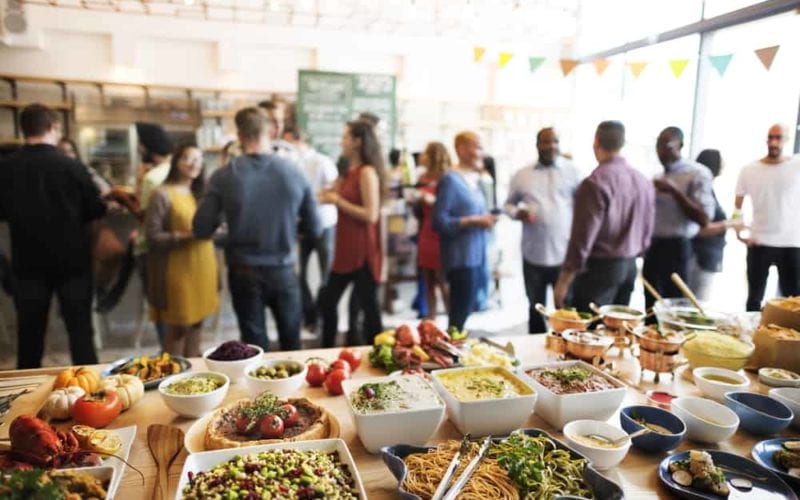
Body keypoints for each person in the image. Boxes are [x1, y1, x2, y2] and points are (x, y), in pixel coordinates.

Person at [0, 104, 130, 368]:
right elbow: (94, 209)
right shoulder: (71, 166)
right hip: (73, 262)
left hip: (28, 262)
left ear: (23, 129)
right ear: (52, 127)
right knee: (81, 333)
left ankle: (26, 395)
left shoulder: (6, 167)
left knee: (30, 335)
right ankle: (91, 394)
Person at [193, 107, 320, 351]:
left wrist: (226, 231)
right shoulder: (294, 172)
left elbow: (200, 228)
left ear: (239, 135)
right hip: (283, 268)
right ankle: (296, 389)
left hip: (243, 270)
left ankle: (257, 389)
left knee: (253, 346)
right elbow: (314, 228)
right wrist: (287, 229)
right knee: (292, 342)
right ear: (270, 131)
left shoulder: (224, 176)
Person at [554, 121, 655, 311]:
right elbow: (647, 229)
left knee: (588, 332)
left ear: (596, 141)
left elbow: (582, 238)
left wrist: (564, 280)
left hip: (599, 270)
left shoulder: (595, 183)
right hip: (629, 266)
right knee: (616, 331)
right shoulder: (642, 181)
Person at [505, 127, 582, 333]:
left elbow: (584, 208)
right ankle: (535, 357)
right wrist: (517, 212)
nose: (551, 146)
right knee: (535, 308)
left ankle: (565, 355)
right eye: (546, 142)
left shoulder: (573, 171)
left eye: (555, 141)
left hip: (564, 255)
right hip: (534, 255)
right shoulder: (522, 175)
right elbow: (508, 205)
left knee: (566, 310)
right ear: (537, 145)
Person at [145, 144, 218, 357]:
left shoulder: (202, 193)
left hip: (204, 265)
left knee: (198, 323)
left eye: (198, 159)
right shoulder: (161, 193)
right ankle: (172, 375)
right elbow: (152, 236)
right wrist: (187, 235)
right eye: (188, 158)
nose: (194, 164)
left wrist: (217, 229)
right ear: (176, 161)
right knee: (178, 327)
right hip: (177, 269)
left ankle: (195, 376)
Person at [318, 120, 385, 347]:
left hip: (362, 251)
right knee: (329, 302)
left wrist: (338, 201)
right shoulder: (348, 171)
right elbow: (330, 193)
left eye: (345, 137)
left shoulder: (367, 173)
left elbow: (371, 214)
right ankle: (327, 351)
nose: (341, 141)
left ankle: (378, 356)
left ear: (357, 142)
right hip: (345, 250)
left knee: (369, 309)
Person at [642, 127, 715, 311]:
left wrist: (674, 192)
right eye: (658, 145)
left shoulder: (697, 174)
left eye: (666, 145)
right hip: (653, 247)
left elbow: (704, 218)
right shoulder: (658, 176)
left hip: (677, 248)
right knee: (651, 305)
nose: (661, 151)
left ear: (680, 145)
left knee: (674, 306)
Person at [433, 131, 497, 331]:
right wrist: (473, 221)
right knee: (459, 314)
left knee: (467, 309)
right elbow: (439, 221)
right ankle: (450, 356)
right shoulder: (450, 180)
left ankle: (455, 350)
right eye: (476, 146)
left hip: (477, 256)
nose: (481, 152)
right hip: (460, 258)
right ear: (461, 149)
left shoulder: (474, 179)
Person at [735, 124, 800, 311]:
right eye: (770, 137)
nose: (773, 142)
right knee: (754, 299)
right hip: (759, 241)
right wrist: (739, 232)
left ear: (786, 140)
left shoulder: (796, 165)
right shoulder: (749, 169)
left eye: (778, 137)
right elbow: (737, 207)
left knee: (793, 300)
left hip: (791, 243)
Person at [283, 127, 339, 330]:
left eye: (288, 142)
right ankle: (311, 313)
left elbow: (334, 191)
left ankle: (323, 316)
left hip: (325, 223)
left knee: (326, 275)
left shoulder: (322, 161)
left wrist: (309, 198)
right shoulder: (290, 164)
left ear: (299, 140)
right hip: (301, 225)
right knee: (298, 274)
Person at [689, 149, 740, 300]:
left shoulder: (708, 190)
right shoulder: (700, 191)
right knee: (696, 305)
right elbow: (698, 229)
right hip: (699, 257)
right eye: (721, 160)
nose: (723, 164)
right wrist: (729, 224)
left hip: (706, 258)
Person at [416, 141, 452, 319]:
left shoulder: (448, 177)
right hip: (425, 231)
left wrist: (432, 201)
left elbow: (450, 206)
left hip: (441, 234)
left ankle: (453, 320)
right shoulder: (422, 177)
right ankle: (431, 318)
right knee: (428, 279)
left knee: (443, 280)